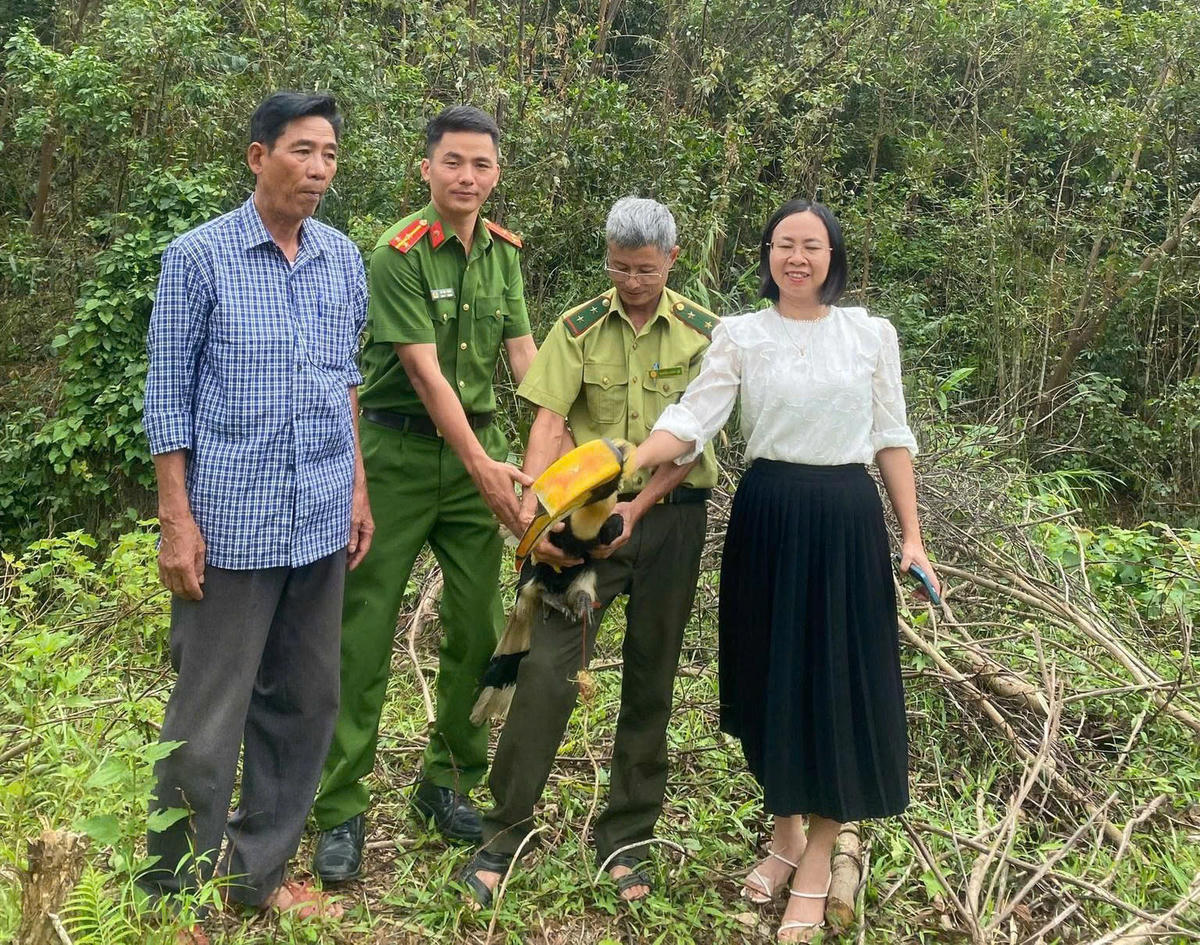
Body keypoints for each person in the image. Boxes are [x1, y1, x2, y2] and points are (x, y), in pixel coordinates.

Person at [633, 199, 940, 941]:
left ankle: (818, 859)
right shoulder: (740, 334)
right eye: (783, 245)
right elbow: (693, 417)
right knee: (773, 676)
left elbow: (892, 435)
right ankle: (784, 833)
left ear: (833, 255)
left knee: (834, 680)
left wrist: (914, 535)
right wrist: (625, 462)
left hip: (843, 517)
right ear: (767, 253)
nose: (796, 257)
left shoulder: (869, 334)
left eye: (811, 245)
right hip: (766, 514)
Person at [139, 91, 370, 934]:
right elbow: (166, 397)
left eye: (330, 155)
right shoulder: (199, 258)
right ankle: (175, 889)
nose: (317, 169)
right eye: (302, 151)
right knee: (208, 715)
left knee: (305, 702)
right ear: (256, 156)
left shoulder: (343, 259)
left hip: (317, 520)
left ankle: (255, 873)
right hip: (229, 523)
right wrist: (176, 517)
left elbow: (345, 381)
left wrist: (356, 489)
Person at [458, 197, 719, 907]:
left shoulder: (704, 333)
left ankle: (627, 839)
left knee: (651, 677)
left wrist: (640, 503)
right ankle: (502, 834)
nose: (631, 281)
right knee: (546, 670)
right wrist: (536, 521)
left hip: (671, 520)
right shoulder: (576, 327)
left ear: (671, 258)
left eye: (643, 268)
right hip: (586, 525)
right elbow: (548, 421)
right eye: (618, 267)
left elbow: (693, 436)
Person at [312, 105, 536, 880]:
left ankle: (445, 782)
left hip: (481, 459)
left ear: (496, 174)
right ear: (427, 169)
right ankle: (340, 806)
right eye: (453, 163)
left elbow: (527, 363)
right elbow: (423, 373)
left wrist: (552, 453)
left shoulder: (504, 254)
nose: (467, 178)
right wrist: (480, 462)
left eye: (481, 165)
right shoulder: (397, 252)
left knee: (479, 626)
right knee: (364, 629)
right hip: (399, 454)